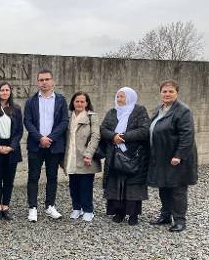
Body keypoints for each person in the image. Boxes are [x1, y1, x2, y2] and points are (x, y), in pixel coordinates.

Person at [148, 80, 198, 232]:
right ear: (160, 93)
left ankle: (180, 220)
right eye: (164, 91)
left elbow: (187, 135)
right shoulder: (159, 109)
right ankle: (165, 216)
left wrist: (179, 155)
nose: (167, 94)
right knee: (164, 187)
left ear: (177, 93)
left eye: (171, 91)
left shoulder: (183, 111)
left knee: (177, 189)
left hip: (176, 158)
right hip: (161, 156)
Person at [24, 69, 69, 222]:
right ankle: (33, 208)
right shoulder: (31, 101)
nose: (44, 82)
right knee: (33, 177)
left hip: (54, 145)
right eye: (41, 80)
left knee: (52, 177)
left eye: (47, 79)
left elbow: (64, 122)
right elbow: (28, 122)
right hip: (36, 146)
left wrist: (49, 138)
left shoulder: (61, 100)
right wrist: (40, 138)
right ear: (38, 82)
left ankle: (50, 206)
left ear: (52, 81)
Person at [100, 87, 149, 226]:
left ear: (130, 97)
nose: (120, 99)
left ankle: (133, 215)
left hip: (134, 155)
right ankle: (118, 212)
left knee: (133, 185)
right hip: (115, 154)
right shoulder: (112, 112)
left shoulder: (139, 111)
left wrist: (124, 137)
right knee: (116, 183)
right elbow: (103, 129)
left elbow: (144, 130)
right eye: (118, 97)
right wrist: (113, 136)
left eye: (122, 97)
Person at [62, 92, 101, 222]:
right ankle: (76, 208)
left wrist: (89, 154)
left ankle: (88, 210)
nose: (79, 104)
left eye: (82, 102)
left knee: (86, 185)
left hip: (85, 156)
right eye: (77, 101)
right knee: (73, 184)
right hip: (71, 155)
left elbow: (96, 136)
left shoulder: (92, 117)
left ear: (87, 103)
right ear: (73, 102)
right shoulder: (68, 117)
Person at [0, 82, 23, 221]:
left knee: (9, 180)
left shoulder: (16, 109)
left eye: (7, 90)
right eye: (2, 90)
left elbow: (19, 130)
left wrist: (11, 146)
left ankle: (6, 207)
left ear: (10, 92)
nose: (4, 92)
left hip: (11, 149)